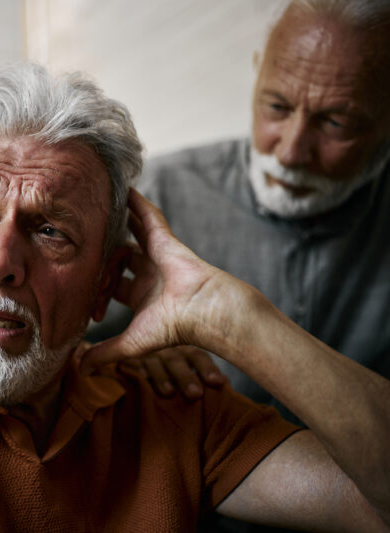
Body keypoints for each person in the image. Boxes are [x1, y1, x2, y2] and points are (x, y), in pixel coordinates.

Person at [0, 63, 390, 532]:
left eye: (50, 231)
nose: (1, 263)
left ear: (106, 282)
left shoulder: (167, 403)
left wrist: (228, 316)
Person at [90, 0, 390, 413]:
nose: (290, 151)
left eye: (336, 123)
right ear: (257, 71)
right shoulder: (156, 193)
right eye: (277, 107)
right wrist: (124, 365)